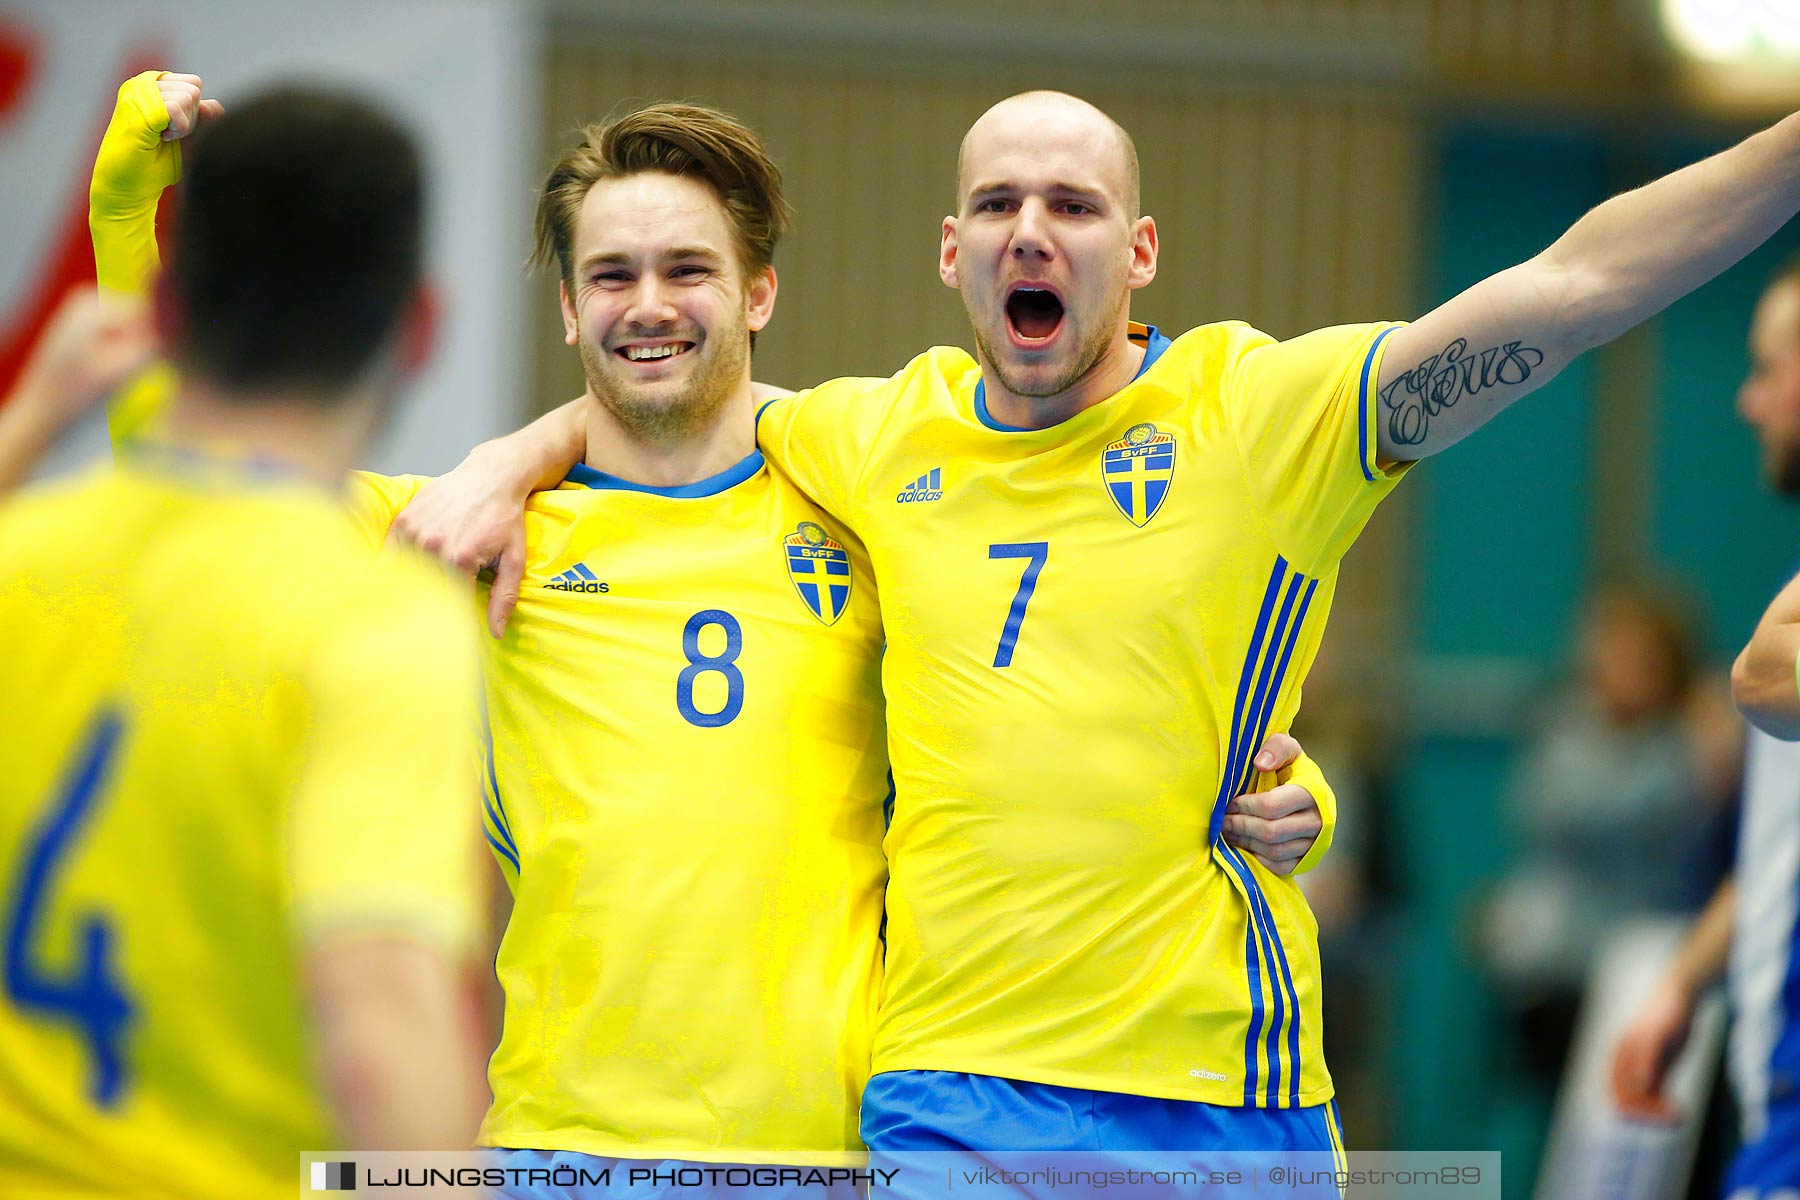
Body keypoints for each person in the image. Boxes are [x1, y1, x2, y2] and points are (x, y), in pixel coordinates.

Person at [423, 87, 1800, 1167]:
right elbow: (669, 390)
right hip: (950, 1101)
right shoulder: (872, 430)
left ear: (1138, 252)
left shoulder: (1259, 417)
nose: (1034, 228)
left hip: (1215, 1097)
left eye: (1074, 204)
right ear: (952, 252)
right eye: (999, 202)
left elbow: (1571, 289)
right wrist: (507, 457)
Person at [72, 71, 1345, 1193]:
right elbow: (190, 473)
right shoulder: (470, 536)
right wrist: (124, 212)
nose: (650, 306)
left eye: (689, 271)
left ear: (762, 294)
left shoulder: (873, 507)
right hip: (555, 1152)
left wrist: (1284, 794)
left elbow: (1068, 696)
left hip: (836, 1158)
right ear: (568, 313)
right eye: (612, 276)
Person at [0, 83, 490, 1199]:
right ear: (419, 325)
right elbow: (380, 1013)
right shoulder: (367, 621)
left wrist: (34, 415)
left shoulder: (20, 558)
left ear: (161, 317)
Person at [1612, 259, 1800, 1198]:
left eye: (1766, 368)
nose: (1747, 401)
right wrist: (1684, 983)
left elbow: (1762, 678)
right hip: (1770, 1084)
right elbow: (1785, 843)